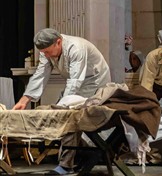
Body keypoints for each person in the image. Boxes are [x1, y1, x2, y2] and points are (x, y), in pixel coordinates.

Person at [13, 28, 111, 175]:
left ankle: (66, 165)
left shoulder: (76, 48)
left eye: (47, 52)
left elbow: (75, 81)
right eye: (43, 52)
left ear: (58, 42)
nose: (45, 55)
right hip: (78, 84)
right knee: (63, 116)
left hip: (95, 84)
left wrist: (63, 107)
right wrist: (24, 99)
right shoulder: (48, 50)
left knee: (69, 118)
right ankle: (85, 153)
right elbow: (40, 74)